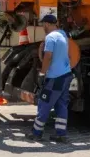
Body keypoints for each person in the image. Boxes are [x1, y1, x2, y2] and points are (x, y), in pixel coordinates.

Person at [27, 14, 73, 143]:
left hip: (55, 77)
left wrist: (42, 73)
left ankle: (36, 133)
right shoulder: (63, 35)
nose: (43, 27)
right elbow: (68, 55)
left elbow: (48, 56)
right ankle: (61, 134)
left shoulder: (50, 37)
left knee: (44, 103)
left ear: (47, 24)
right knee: (61, 104)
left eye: (43, 25)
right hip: (66, 75)